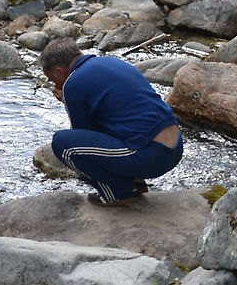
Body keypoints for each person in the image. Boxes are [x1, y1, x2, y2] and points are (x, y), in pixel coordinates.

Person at [38, 37, 183, 207]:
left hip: (150, 156)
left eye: (53, 80)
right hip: (174, 148)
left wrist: (68, 99)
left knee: (63, 145)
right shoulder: (110, 63)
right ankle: (135, 182)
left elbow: (84, 136)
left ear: (60, 71)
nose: (54, 84)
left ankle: (117, 192)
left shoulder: (73, 83)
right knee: (118, 125)